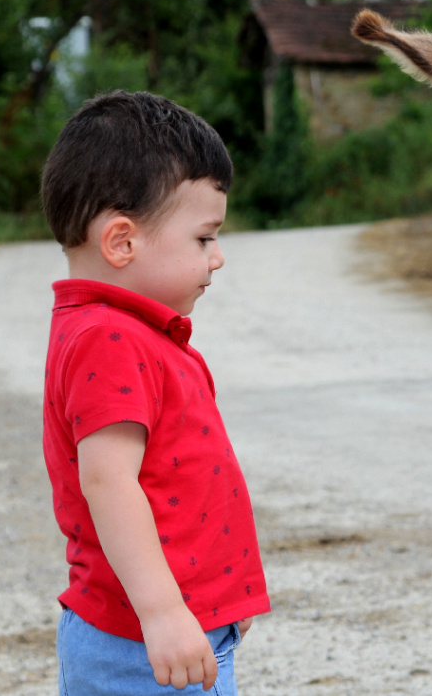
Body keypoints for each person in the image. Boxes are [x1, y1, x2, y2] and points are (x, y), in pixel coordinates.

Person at [40, 90, 270, 694]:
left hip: (166, 632)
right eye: (203, 238)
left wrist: (215, 602)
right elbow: (108, 481)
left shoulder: (131, 332)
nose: (217, 258)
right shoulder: (108, 338)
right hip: (140, 645)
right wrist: (165, 612)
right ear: (122, 242)